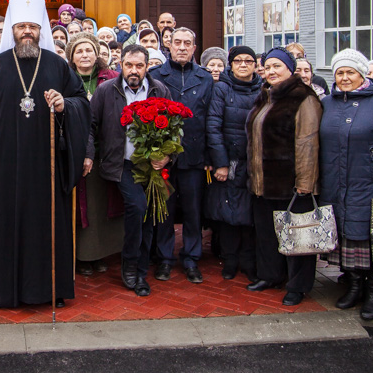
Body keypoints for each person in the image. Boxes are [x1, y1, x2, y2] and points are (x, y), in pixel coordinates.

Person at [0, 0, 92, 310]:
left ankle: (50, 289)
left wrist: (66, 105)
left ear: (41, 30)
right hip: (6, 167)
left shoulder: (56, 65)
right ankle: (2, 292)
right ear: (13, 28)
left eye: (33, 27)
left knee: (46, 227)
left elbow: (82, 102)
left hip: (46, 167)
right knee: (6, 225)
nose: (27, 32)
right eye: (21, 26)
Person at [319, 49, 373, 321]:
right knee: (347, 237)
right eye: (339, 73)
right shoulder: (327, 103)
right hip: (335, 183)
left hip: (369, 184)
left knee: (371, 241)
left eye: (350, 73)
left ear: (362, 75)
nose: (345, 78)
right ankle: (354, 285)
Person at [88, 45, 170, 296]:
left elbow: (173, 129)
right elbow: (90, 125)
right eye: (129, 65)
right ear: (120, 64)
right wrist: (89, 156)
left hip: (150, 165)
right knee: (138, 207)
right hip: (121, 164)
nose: (134, 71)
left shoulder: (159, 90)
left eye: (139, 66)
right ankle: (131, 265)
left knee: (148, 216)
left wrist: (167, 155)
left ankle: (140, 271)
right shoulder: (105, 91)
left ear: (147, 66)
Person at [245, 47, 322, 306]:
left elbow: (307, 142)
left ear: (290, 69)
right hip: (262, 181)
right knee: (266, 232)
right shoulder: (265, 96)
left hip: (290, 183)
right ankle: (270, 275)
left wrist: (305, 183)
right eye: (268, 67)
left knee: (297, 238)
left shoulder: (303, 98)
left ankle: (297, 286)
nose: (272, 71)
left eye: (278, 66)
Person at [149, 28, 213, 283]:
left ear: (195, 48)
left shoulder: (206, 78)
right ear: (169, 46)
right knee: (164, 209)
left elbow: (211, 119)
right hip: (164, 158)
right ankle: (164, 258)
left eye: (188, 43)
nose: (182, 47)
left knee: (192, 211)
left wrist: (210, 157)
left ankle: (191, 258)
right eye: (178, 43)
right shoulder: (156, 76)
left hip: (194, 157)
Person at [66, 33, 121, 277]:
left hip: (105, 153)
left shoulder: (111, 79)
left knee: (100, 207)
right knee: (79, 207)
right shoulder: (65, 79)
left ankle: (99, 255)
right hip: (73, 153)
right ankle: (81, 256)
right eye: (79, 51)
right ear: (72, 57)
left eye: (89, 50)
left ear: (97, 53)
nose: (84, 55)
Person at [206, 45, 263, 282]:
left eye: (248, 61)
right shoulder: (221, 89)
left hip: (256, 163)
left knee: (251, 213)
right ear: (231, 64)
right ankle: (229, 260)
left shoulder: (263, 89)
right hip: (230, 161)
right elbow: (213, 125)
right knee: (228, 212)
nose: (243, 65)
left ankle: (248, 260)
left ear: (254, 65)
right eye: (238, 60)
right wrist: (220, 163)